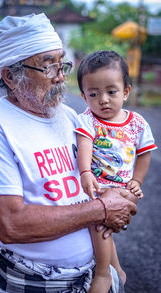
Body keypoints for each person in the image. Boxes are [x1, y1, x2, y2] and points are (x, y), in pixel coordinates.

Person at [0, 15, 137, 293]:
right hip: (33, 284)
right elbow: (11, 224)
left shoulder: (70, 117)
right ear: (11, 76)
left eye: (62, 63)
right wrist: (102, 209)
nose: (61, 76)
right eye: (48, 66)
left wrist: (120, 196)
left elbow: (95, 183)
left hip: (93, 275)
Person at [75, 50, 157, 293]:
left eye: (111, 91)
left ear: (126, 91)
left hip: (122, 190)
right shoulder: (88, 120)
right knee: (100, 223)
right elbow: (84, 146)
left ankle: (103, 274)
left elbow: (144, 153)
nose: (103, 100)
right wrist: (85, 172)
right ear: (83, 96)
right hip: (98, 188)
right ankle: (114, 270)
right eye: (94, 94)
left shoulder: (137, 122)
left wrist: (137, 181)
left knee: (100, 226)